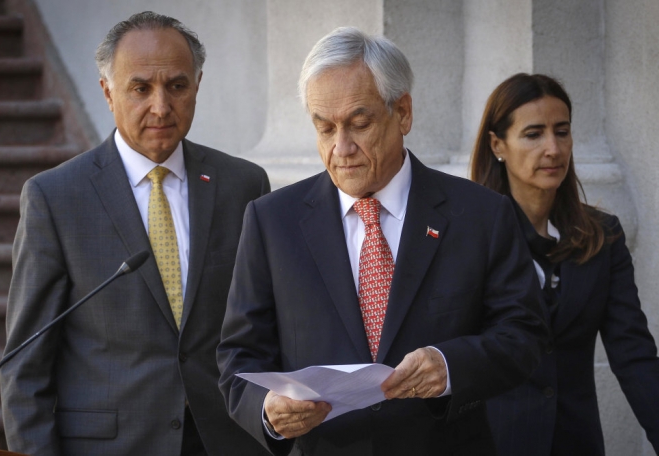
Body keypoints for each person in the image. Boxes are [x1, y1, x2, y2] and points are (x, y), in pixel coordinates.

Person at [216, 27, 548, 456]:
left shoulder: (481, 214)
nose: (341, 148)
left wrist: (449, 367)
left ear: (403, 112)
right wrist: (268, 412)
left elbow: (525, 335)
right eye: (324, 128)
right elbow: (238, 359)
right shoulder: (271, 221)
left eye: (359, 123)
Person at [0, 11, 270, 456]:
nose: (161, 106)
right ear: (108, 92)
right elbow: (25, 366)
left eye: (177, 86)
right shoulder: (55, 197)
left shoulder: (244, 185)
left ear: (198, 85)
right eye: (140, 88)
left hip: (227, 438)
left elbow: (263, 329)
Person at [470, 73, 659, 456]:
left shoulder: (603, 237)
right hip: (491, 444)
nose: (553, 149)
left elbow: (632, 349)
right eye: (534, 134)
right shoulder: (468, 237)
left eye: (562, 131)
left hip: (577, 443)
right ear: (497, 145)